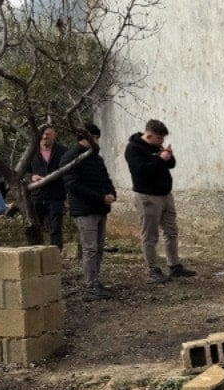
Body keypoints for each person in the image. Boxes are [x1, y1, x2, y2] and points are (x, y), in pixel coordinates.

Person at [125, 119, 195, 284]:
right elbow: (142, 171)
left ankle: (174, 265)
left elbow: (170, 164)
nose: (161, 142)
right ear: (148, 135)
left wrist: (168, 156)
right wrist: (160, 159)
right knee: (150, 235)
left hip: (165, 194)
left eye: (163, 139)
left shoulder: (156, 146)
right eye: (159, 139)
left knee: (171, 231)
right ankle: (152, 269)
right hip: (147, 197)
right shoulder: (133, 149)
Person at [60, 123, 117, 300]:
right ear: (86, 138)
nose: (97, 141)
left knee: (98, 248)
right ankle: (90, 284)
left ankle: (95, 280)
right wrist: (100, 197)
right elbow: (74, 186)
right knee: (90, 248)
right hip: (85, 210)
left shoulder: (96, 158)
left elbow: (105, 179)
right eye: (95, 138)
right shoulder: (71, 157)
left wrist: (111, 193)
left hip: (100, 208)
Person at [28, 125, 69, 250]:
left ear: (54, 135)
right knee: (35, 228)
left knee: (55, 229)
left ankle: (55, 257)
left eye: (48, 134)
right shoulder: (31, 152)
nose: (45, 137)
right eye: (43, 134)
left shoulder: (63, 152)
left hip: (55, 196)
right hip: (37, 196)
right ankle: (35, 254)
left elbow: (67, 172)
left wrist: (49, 179)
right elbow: (22, 172)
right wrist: (31, 177)